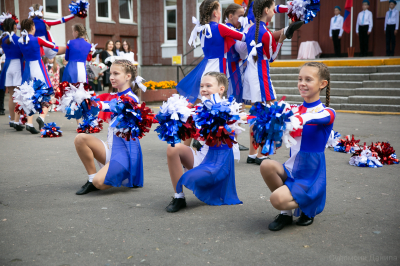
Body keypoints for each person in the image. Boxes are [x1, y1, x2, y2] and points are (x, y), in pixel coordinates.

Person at [260, 62, 335, 231]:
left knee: (276, 199)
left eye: (308, 79)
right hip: (292, 169)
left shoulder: (327, 112)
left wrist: (299, 119)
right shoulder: (293, 110)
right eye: (300, 79)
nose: (302, 83)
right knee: (266, 165)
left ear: (322, 84)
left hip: (310, 175)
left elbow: (314, 117)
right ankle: (285, 214)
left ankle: (309, 207)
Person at [165, 72, 242, 213]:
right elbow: (190, 135)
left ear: (221, 89)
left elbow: (232, 141)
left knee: (188, 177)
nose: (203, 89)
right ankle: (179, 197)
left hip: (219, 164)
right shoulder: (199, 109)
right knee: (172, 148)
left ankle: (212, 185)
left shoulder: (229, 110)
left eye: (208, 85)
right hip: (202, 157)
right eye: (201, 86)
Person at [74, 59, 146, 195]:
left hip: (125, 154)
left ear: (128, 76)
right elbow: (99, 101)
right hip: (110, 149)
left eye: (116, 73)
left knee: (99, 182)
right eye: (110, 73)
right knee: (80, 139)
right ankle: (91, 178)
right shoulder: (112, 96)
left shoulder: (132, 99)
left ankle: (120, 173)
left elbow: (114, 106)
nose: (111, 77)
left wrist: (98, 105)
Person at [177, 0, 246, 104]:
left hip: (205, 66)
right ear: (215, 13)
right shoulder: (220, 27)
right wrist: (248, 26)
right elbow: (243, 37)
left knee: (202, 99)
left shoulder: (202, 29)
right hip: (218, 66)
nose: (220, 13)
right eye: (219, 10)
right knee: (214, 98)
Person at [243, 0, 285, 165]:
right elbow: (272, 57)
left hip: (251, 75)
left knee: (256, 114)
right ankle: (261, 154)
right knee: (270, 115)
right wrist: (281, 39)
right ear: (266, 10)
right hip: (261, 77)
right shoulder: (265, 33)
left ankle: (253, 153)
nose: (275, 11)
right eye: (273, 8)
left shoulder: (250, 29)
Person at [18, 18, 59, 131]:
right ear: (32, 27)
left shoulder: (21, 41)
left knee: (29, 96)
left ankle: (29, 123)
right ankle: (41, 117)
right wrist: (48, 31)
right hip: (38, 68)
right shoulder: (38, 39)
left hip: (27, 70)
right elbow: (52, 45)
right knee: (46, 94)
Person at [0, 17, 31, 131]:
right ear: (14, 26)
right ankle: (16, 121)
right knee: (17, 95)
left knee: (11, 95)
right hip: (17, 65)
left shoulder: (3, 39)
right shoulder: (18, 39)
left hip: (7, 66)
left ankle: (12, 120)